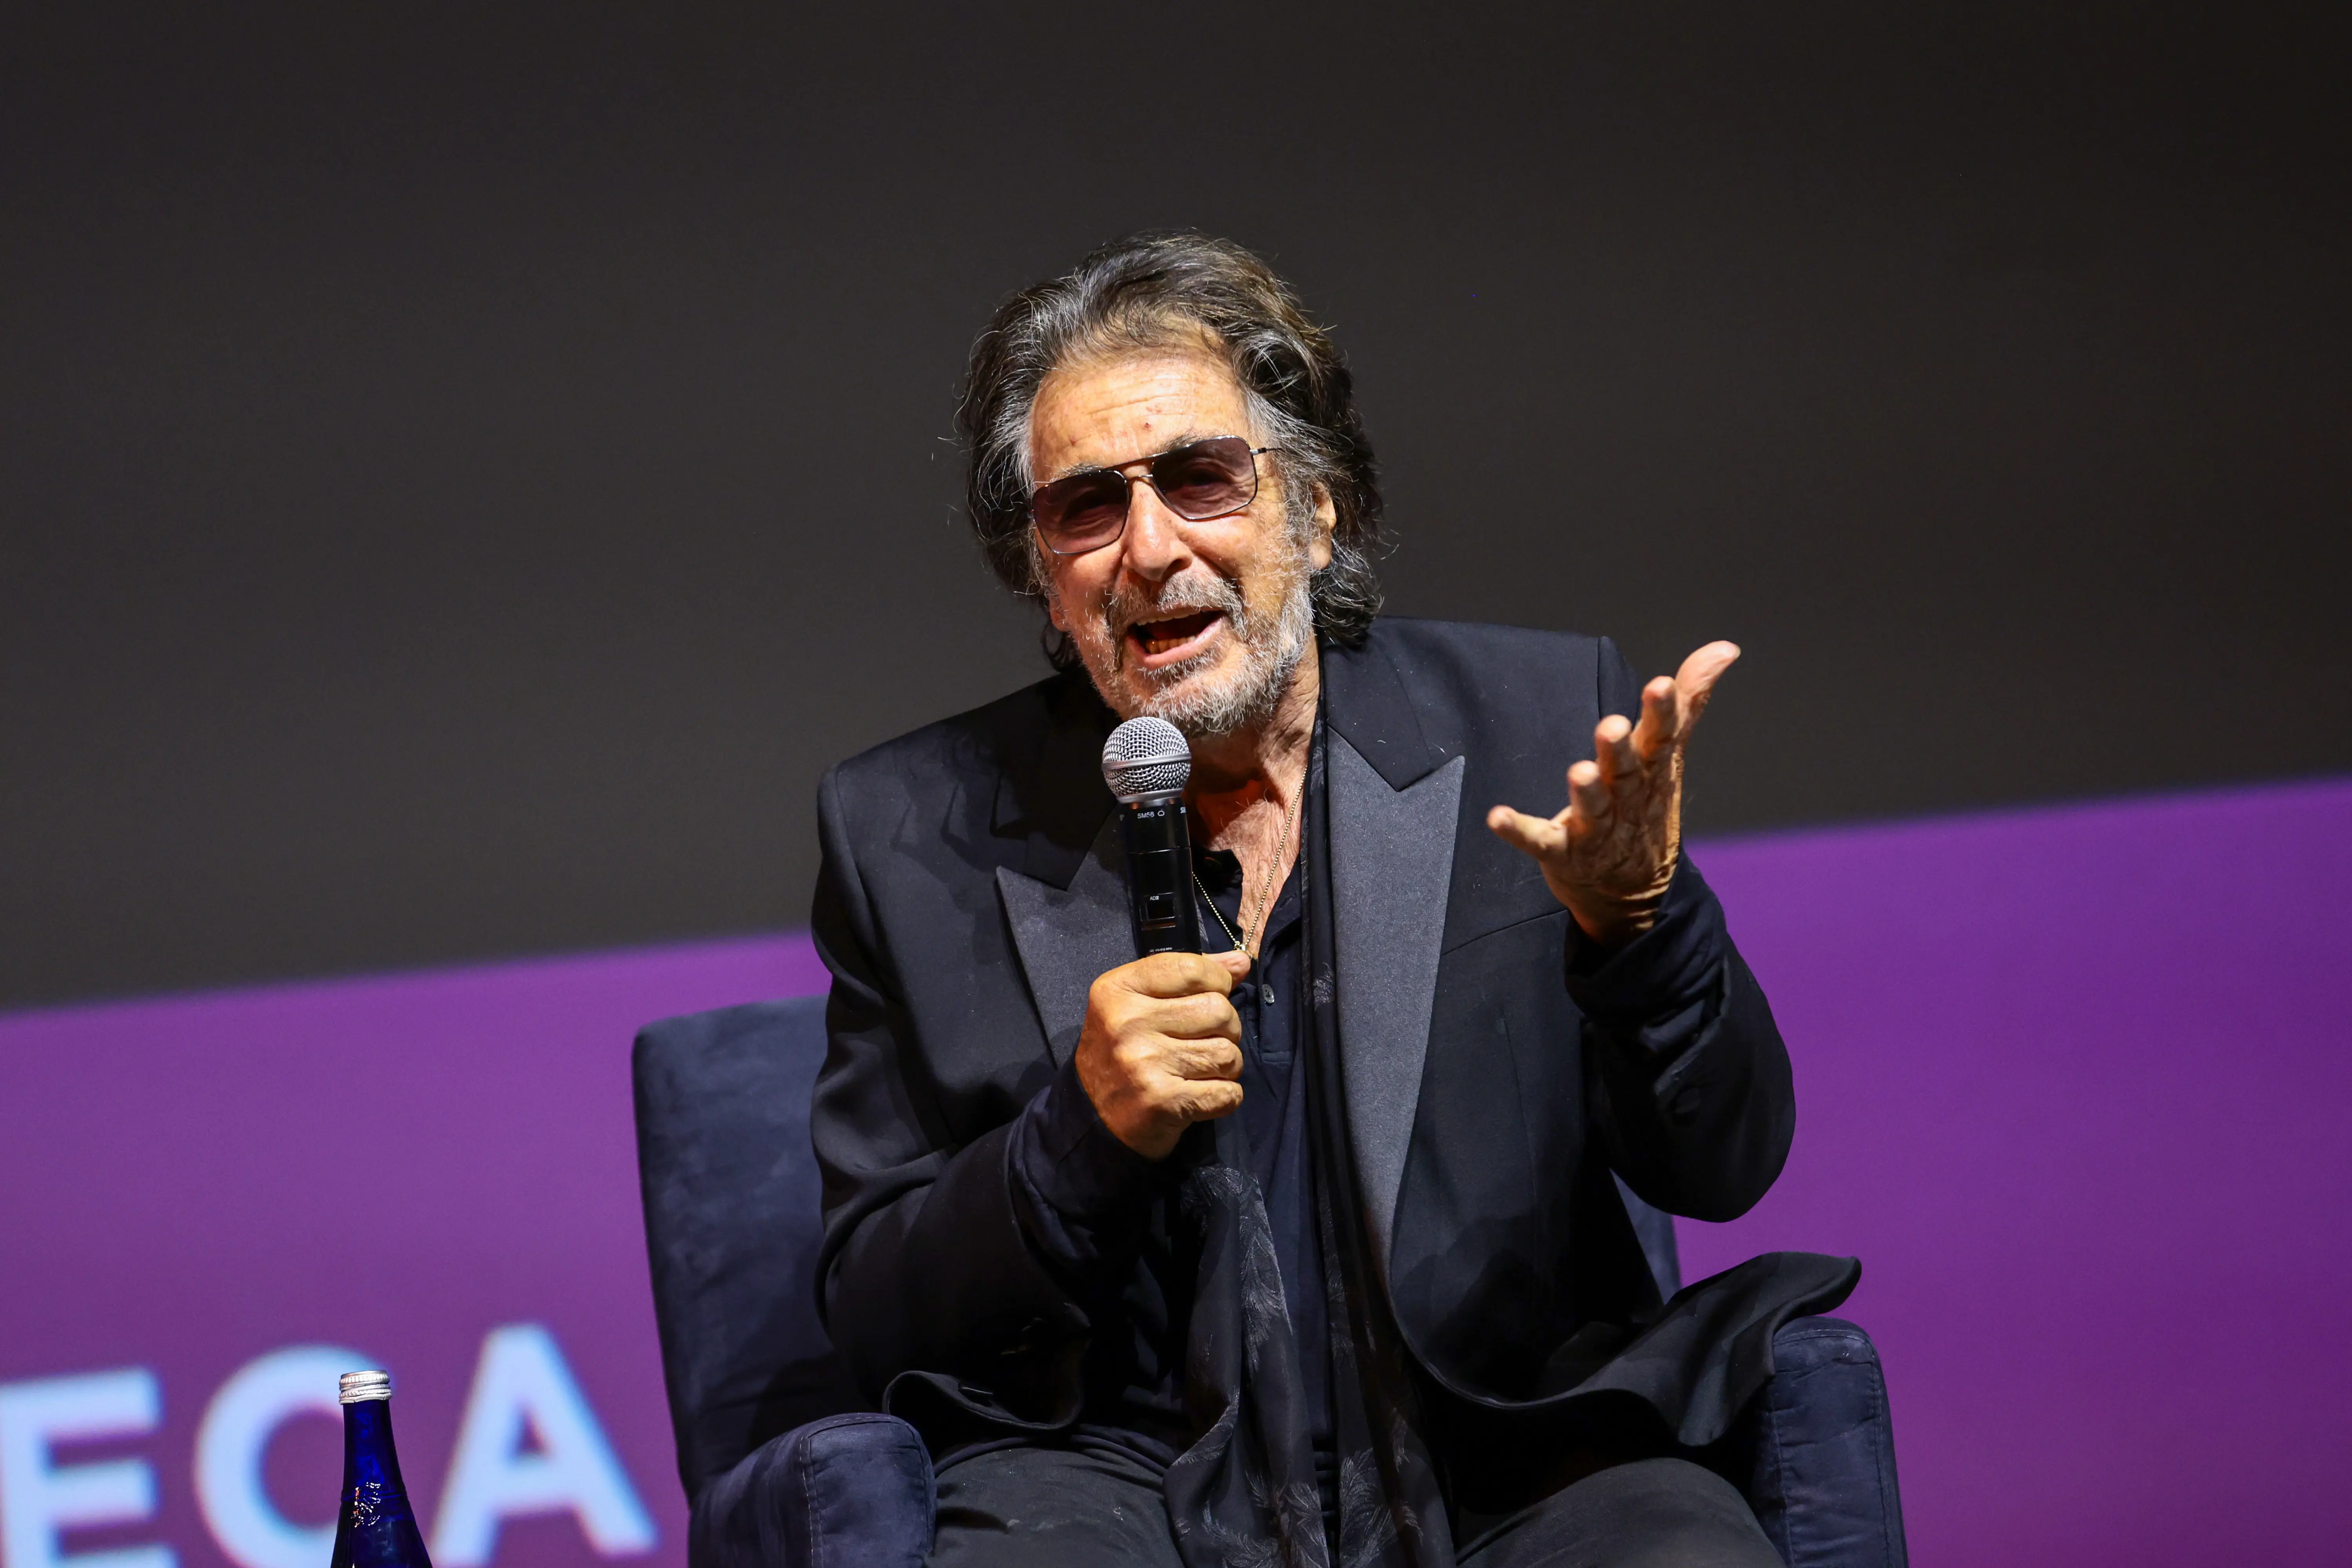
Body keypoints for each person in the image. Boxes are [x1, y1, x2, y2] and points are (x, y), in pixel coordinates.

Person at [810, 232, 1856, 1568]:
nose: (1148, 548)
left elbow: (1727, 1164)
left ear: (1318, 510)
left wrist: (1639, 929)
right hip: (1114, 1488)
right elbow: (873, 1305)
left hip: (1511, 1460)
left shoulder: (1540, 724)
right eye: (1087, 506)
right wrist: (1077, 1136)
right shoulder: (911, 832)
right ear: (1044, 573)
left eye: (1201, 480)